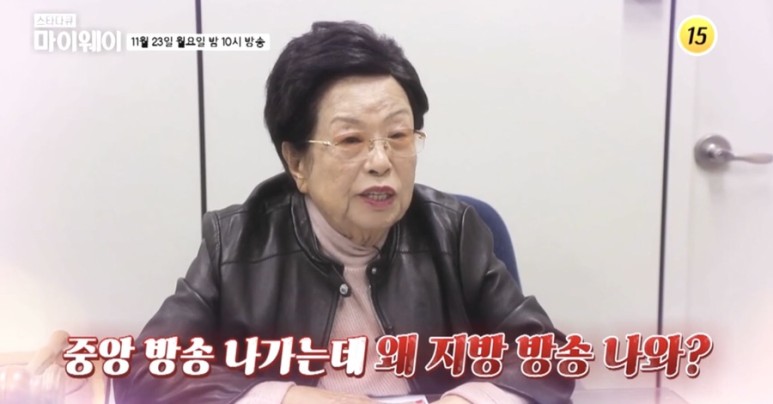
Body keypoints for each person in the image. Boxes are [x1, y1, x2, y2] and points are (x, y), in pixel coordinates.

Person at [114, 21, 574, 404]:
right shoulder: (237, 241)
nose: (381, 161)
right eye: (351, 140)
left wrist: (468, 400)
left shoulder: (452, 230)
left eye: (399, 136)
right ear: (297, 163)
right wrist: (284, 398)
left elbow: (546, 355)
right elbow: (146, 369)